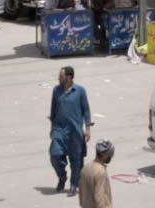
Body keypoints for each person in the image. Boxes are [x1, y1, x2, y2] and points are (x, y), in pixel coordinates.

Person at [50, 66, 93, 196]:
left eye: (61, 76)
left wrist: (87, 128)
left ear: (69, 77)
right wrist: (52, 129)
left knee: (77, 160)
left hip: (75, 131)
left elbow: (86, 110)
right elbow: (53, 111)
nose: (59, 78)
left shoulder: (80, 91)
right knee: (55, 155)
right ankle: (62, 177)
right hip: (59, 130)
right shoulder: (56, 91)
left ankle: (74, 184)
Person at [79, 138, 113, 208]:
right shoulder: (100, 171)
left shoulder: (85, 167)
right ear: (105, 155)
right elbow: (99, 196)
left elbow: (81, 192)